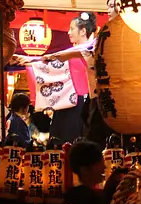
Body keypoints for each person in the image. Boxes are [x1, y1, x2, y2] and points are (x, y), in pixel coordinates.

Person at [16, 12, 99, 144]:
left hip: (82, 101)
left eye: (72, 29)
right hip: (66, 101)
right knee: (59, 141)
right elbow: (53, 64)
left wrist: (33, 60)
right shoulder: (72, 52)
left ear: (83, 31)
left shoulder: (90, 48)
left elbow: (56, 58)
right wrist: (32, 62)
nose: (68, 32)